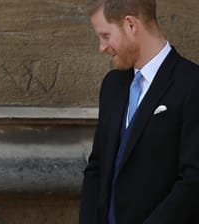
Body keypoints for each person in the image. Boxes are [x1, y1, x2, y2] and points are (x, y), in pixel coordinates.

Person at [79, 0, 199, 223]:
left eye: (106, 36)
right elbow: (97, 167)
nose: (101, 47)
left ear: (130, 25)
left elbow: (193, 182)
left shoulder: (191, 85)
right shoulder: (112, 85)